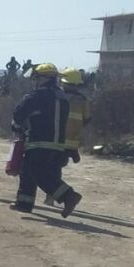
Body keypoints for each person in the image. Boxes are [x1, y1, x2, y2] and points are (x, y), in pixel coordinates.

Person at [11, 63, 82, 217]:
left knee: (38, 173)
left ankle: (68, 196)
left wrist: (17, 127)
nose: (35, 81)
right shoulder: (62, 97)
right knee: (28, 169)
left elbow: (19, 114)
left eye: (36, 78)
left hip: (39, 141)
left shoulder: (36, 96)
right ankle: (24, 203)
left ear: (43, 78)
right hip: (57, 144)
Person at [43, 68, 92, 205]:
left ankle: (54, 195)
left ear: (63, 82)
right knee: (56, 168)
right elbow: (87, 118)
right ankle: (53, 196)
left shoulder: (57, 96)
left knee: (50, 169)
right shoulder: (83, 99)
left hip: (55, 140)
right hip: (72, 143)